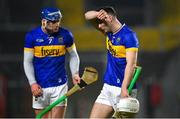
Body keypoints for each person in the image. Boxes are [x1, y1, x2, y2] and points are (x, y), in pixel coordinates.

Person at [23, 7, 80, 118]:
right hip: (40, 87)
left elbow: (74, 55)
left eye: (58, 21)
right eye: (53, 22)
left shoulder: (66, 35)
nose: (57, 24)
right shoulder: (32, 37)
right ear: (44, 21)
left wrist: (75, 73)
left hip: (60, 86)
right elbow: (27, 62)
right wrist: (32, 83)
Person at [84, 6, 139, 118]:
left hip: (124, 89)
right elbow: (87, 16)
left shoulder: (129, 36)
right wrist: (97, 14)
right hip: (108, 87)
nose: (99, 26)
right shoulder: (108, 33)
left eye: (101, 22)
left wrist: (124, 89)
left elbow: (131, 65)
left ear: (109, 19)